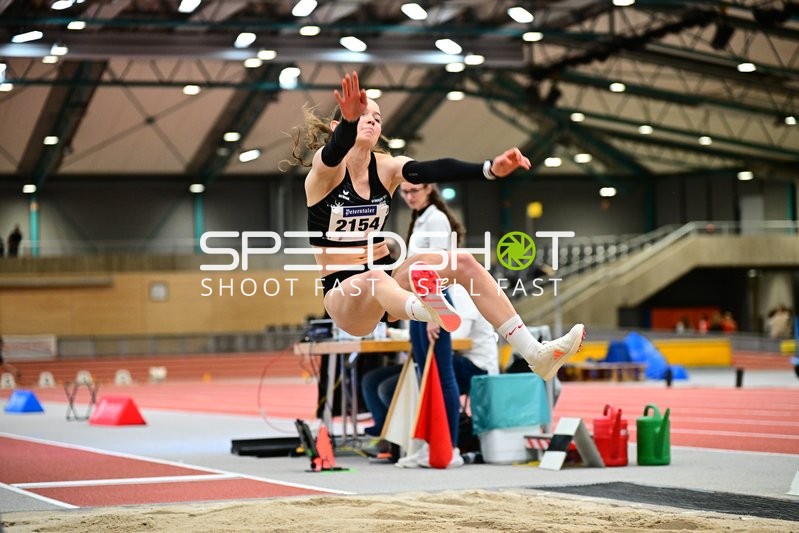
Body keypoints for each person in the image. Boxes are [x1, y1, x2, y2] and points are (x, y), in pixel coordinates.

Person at [288, 71, 585, 454]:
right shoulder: (323, 174)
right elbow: (333, 151)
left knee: (463, 261)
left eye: (377, 117)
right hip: (344, 296)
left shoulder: (389, 169)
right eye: (364, 114)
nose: (372, 120)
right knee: (379, 278)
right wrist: (348, 121)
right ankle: (427, 308)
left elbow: (433, 168)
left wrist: (488, 169)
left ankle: (535, 353)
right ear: (339, 124)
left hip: (386, 281)